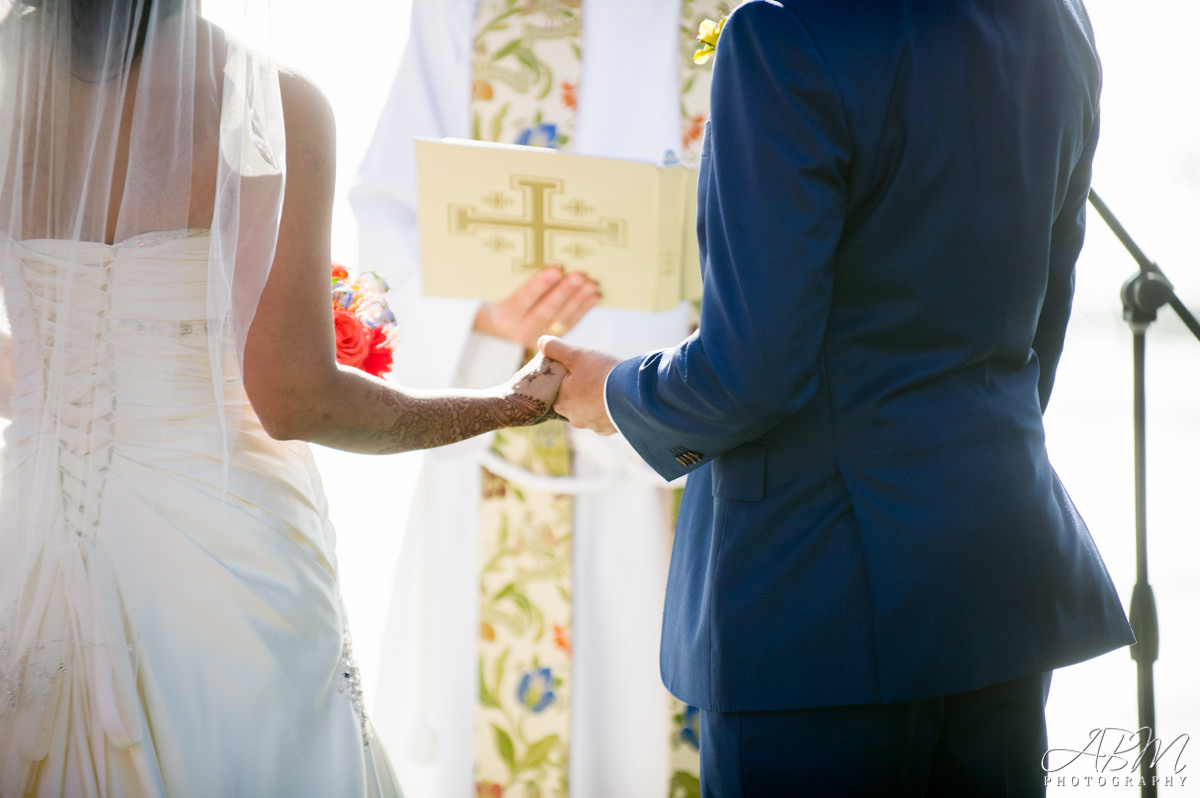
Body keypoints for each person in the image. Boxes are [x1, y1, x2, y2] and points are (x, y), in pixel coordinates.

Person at [541, 0, 1136, 794]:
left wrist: (615, 394)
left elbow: (751, 370)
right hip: (998, 578)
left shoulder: (786, 33)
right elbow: (1041, 331)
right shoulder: (1056, 20)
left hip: (813, 605)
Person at [0, 1, 563, 795]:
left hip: (25, 532)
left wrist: (65, 374)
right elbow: (300, 400)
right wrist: (506, 404)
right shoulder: (265, 100)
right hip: (217, 549)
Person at [350, 2, 723, 796]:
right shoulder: (469, 12)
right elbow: (385, 226)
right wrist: (479, 313)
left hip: (698, 445)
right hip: (508, 458)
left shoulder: (751, 17)